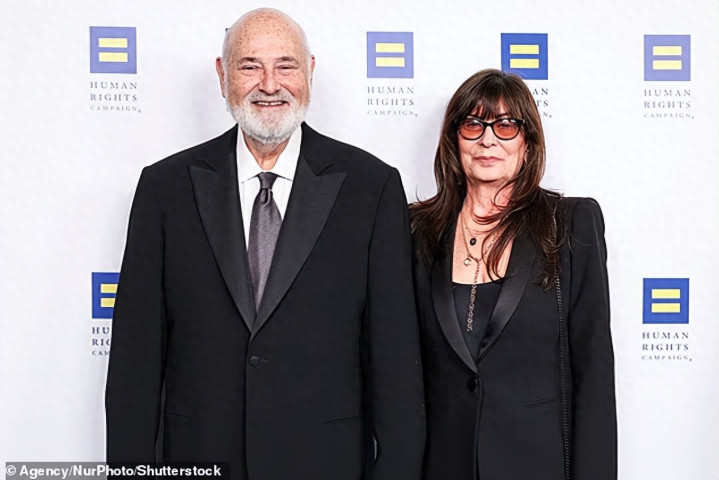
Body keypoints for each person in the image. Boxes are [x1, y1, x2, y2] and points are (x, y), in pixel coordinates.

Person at [105, 8, 425, 480]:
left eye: (286, 65)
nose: (269, 84)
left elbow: (396, 366)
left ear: (309, 72)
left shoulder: (371, 188)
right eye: (250, 65)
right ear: (222, 75)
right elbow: (134, 366)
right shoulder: (164, 189)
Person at [410, 69, 616, 480]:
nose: (488, 139)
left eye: (506, 125)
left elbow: (593, 375)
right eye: (473, 124)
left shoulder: (569, 224)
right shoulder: (416, 232)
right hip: (442, 465)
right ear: (454, 139)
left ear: (528, 141)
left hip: (536, 464)